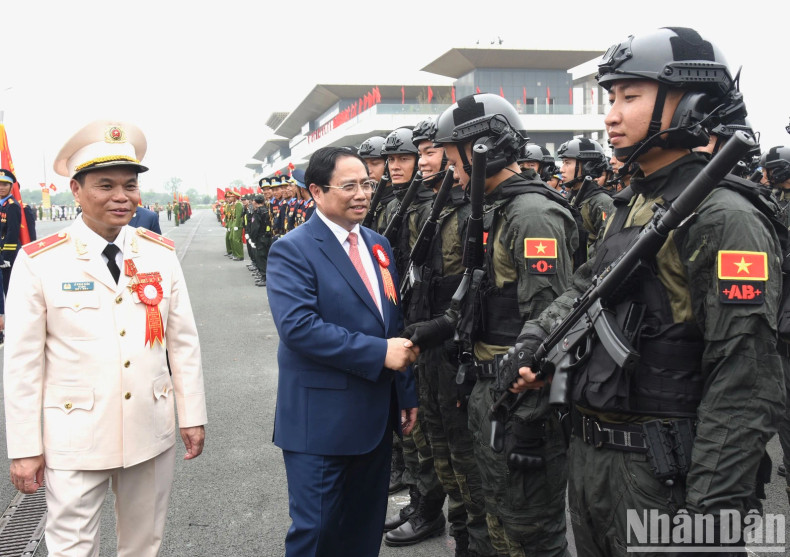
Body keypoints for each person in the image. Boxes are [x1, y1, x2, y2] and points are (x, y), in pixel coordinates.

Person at [512, 27, 782, 555]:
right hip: (596, 463)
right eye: (611, 97)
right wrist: (534, 341)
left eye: (630, 97)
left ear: (692, 104)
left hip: (665, 478)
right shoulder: (633, 205)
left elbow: (745, 378)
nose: (611, 114)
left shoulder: (723, 216)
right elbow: (584, 290)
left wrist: (711, 516)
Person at [3, 119, 207, 556]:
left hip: (149, 429)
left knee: (143, 544)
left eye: (130, 186)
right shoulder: (41, 261)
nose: (122, 197)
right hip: (75, 434)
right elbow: (22, 363)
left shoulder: (159, 254)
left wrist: (192, 415)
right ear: (76, 191)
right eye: (105, 185)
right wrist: (24, 448)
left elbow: (183, 343)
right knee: (71, 548)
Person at [266, 146, 419, 557]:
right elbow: (299, 328)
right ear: (316, 191)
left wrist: (405, 393)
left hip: (375, 415)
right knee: (317, 533)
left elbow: (392, 323)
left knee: (363, 529)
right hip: (321, 424)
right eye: (348, 186)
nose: (362, 194)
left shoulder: (376, 243)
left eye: (367, 184)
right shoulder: (292, 249)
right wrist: (378, 353)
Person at [557, 137, 614, 260]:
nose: (562, 169)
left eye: (567, 163)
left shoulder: (602, 202)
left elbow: (605, 249)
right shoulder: (570, 198)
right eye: (563, 163)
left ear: (587, 166)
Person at [0, 169, 21, 298]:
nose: (1, 187)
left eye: (5, 184)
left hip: (8, 255)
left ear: (11, 186)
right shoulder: (2, 204)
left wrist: (7, 257)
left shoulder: (12, 205)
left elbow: (12, 232)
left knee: (8, 289)